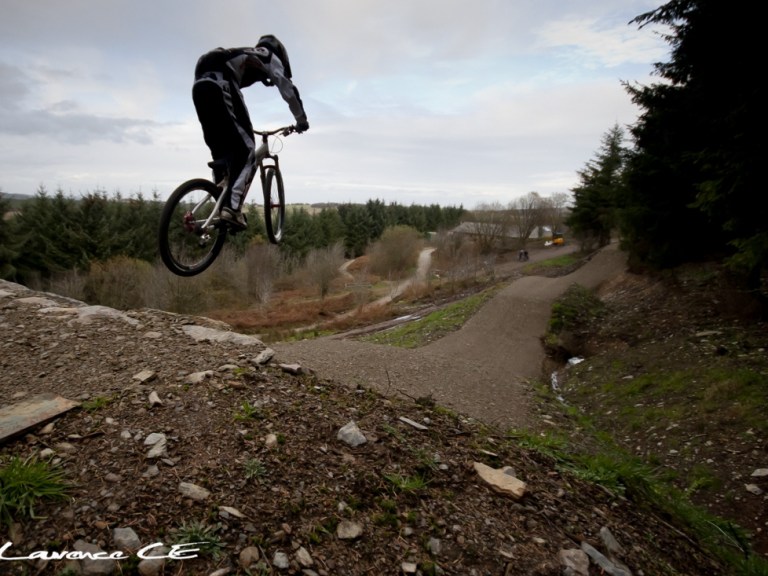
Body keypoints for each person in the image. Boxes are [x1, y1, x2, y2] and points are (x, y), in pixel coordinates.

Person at [192, 35, 309, 229]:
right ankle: (232, 209)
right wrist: (301, 121)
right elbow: (287, 88)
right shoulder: (268, 55)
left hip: (199, 86)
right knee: (246, 150)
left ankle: (220, 201)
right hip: (220, 82)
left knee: (223, 152)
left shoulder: (247, 57)